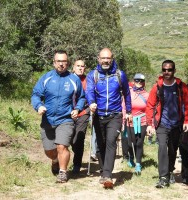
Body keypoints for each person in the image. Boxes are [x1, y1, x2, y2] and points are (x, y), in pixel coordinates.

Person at [31, 50, 85, 183]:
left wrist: (77, 109)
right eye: (59, 61)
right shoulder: (46, 78)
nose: (61, 64)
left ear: (68, 63)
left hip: (65, 119)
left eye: (64, 61)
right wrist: (39, 106)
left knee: (62, 146)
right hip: (48, 120)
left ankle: (63, 172)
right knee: (49, 150)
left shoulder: (74, 80)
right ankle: (55, 160)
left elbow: (82, 97)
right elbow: (36, 94)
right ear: (54, 62)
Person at [85, 48, 132, 189]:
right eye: (103, 58)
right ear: (98, 59)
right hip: (98, 115)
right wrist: (91, 102)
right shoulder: (93, 75)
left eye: (108, 58)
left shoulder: (120, 75)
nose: (105, 61)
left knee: (111, 142)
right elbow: (89, 91)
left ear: (112, 59)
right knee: (101, 144)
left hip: (115, 115)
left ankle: (107, 175)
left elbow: (127, 93)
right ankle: (103, 169)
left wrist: (128, 111)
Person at [146, 60, 188, 188]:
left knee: (172, 150)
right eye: (164, 70)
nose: (167, 72)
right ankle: (163, 177)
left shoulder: (181, 86)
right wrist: (150, 124)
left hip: (176, 124)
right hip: (161, 123)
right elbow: (150, 105)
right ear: (162, 71)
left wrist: (187, 121)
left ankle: (170, 170)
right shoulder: (157, 87)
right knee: (162, 146)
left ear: (174, 71)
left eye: (170, 70)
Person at [122, 73, 149, 175]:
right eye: (137, 80)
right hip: (130, 120)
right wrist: (124, 117)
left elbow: (149, 109)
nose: (139, 82)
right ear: (133, 81)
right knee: (130, 142)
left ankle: (138, 164)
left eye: (141, 81)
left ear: (144, 83)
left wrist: (150, 124)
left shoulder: (147, 95)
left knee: (139, 142)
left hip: (142, 121)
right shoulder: (128, 93)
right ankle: (131, 158)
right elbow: (123, 106)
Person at [71, 59, 91, 173]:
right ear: (73, 67)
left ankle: (77, 164)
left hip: (84, 112)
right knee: (69, 139)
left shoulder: (88, 80)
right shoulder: (68, 78)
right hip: (68, 113)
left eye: (82, 66)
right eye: (77, 66)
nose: (80, 68)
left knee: (79, 138)